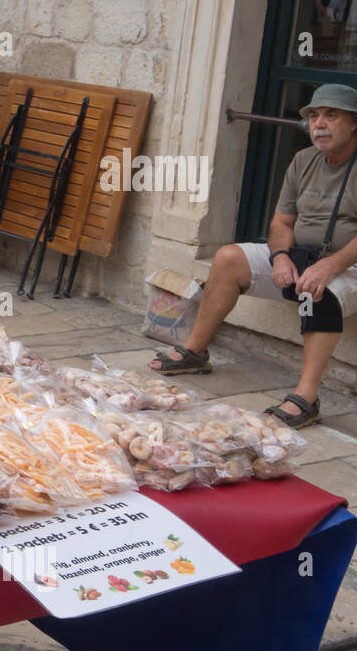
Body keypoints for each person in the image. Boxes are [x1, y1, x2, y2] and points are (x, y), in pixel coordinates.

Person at [150, 83, 357, 428]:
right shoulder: (304, 160)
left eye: (331, 115)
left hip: (348, 265)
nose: (320, 123)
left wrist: (329, 265)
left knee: (318, 293)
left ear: (354, 123)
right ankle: (194, 352)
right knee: (229, 257)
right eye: (315, 116)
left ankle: (306, 398)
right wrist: (280, 257)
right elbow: (281, 221)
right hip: (302, 255)